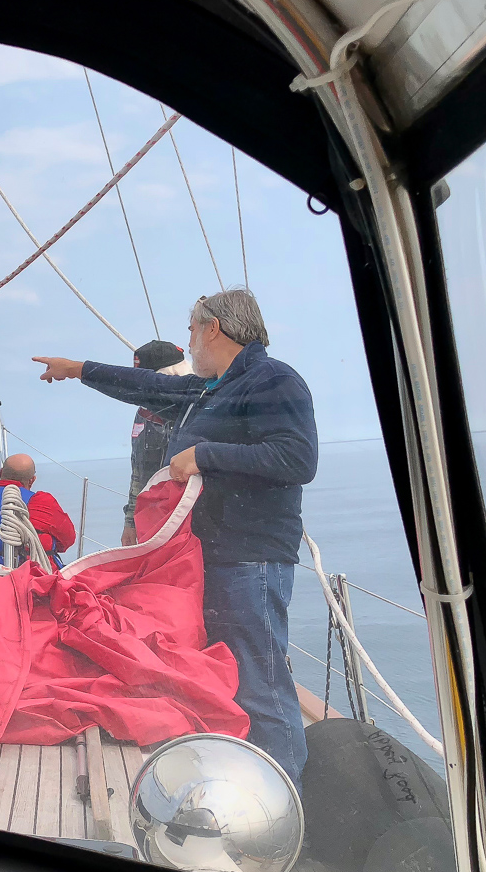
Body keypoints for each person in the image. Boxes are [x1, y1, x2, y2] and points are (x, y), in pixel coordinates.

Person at [32, 288, 318, 790]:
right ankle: (242, 790)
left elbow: (296, 458)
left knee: (260, 681)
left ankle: (288, 799)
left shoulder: (273, 380)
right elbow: (147, 386)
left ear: (213, 328)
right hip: (209, 558)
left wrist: (204, 455)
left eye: (191, 330)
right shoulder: (211, 388)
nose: (188, 343)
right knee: (220, 676)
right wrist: (79, 369)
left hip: (249, 560)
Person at [122, 340, 192, 547]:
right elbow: (138, 471)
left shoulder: (198, 410)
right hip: (153, 521)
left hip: (193, 521)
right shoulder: (144, 414)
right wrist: (130, 522)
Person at [0, 453, 76, 575]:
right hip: (33, 579)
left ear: (1, 473)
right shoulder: (43, 502)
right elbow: (68, 539)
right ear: (32, 480)